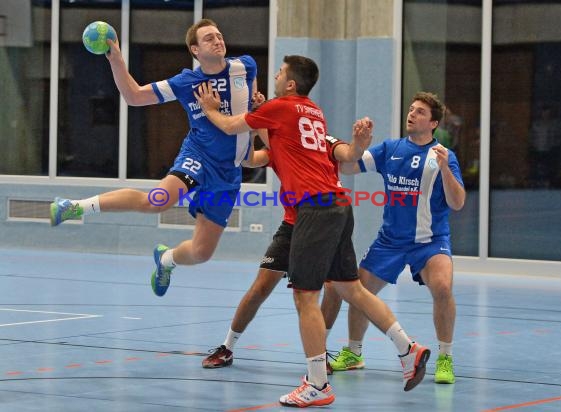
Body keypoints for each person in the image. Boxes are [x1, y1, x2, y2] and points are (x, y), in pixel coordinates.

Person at [196, 55, 431, 408]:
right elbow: (260, 156)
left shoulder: (282, 108)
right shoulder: (312, 117)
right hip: (333, 207)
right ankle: (408, 349)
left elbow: (231, 126)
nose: (275, 76)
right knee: (351, 288)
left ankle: (317, 384)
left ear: (290, 84)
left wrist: (210, 108)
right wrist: (358, 144)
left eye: (279, 73)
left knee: (305, 297)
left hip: (315, 210)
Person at [49, 19, 261, 297]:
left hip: (228, 173)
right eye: (209, 38)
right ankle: (74, 207)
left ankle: (165, 260)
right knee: (157, 201)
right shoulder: (186, 82)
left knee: (201, 253)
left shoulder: (245, 66)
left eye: (219, 35)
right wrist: (116, 61)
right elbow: (134, 96)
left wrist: (258, 108)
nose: (218, 40)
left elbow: (254, 111)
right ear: (195, 50)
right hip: (198, 156)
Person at [202, 128, 369, 374]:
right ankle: (227, 346)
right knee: (261, 286)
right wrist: (248, 129)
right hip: (292, 225)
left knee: (333, 287)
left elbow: (349, 154)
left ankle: (319, 351)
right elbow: (249, 159)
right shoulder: (280, 148)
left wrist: (359, 142)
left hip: (323, 222)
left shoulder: (323, 142)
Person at [333, 92, 465, 385]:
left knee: (442, 287)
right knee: (359, 290)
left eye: (419, 112)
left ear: (432, 123)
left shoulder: (443, 155)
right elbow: (348, 166)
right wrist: (359, 144)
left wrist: (445, 170)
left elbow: (457, 203)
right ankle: (354, 353)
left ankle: (445, 357)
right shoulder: (390, 149)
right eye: (411, 109)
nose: (412, 114)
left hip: (430, 241)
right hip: (390, 241)